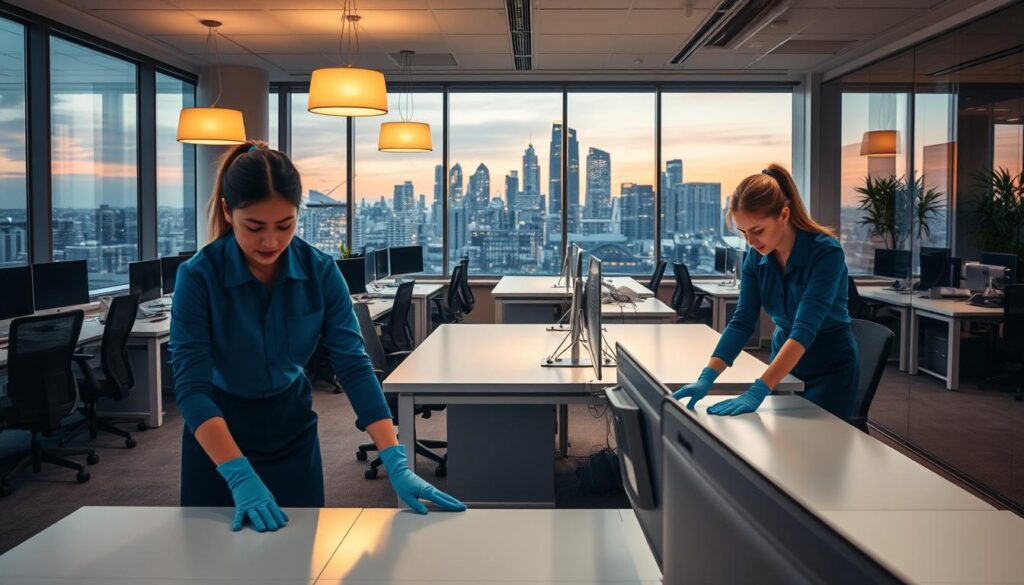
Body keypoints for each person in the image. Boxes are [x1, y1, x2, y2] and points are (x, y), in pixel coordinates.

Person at [170, 141, 465, 533]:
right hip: (218, 438)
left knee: (298, 560)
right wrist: (237, 474)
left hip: (291, 434)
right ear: (228, 211)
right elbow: (191, 388)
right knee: (212, 562)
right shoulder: (197, 278)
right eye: (254, 227)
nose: (271, 242)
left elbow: (354, 365)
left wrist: (394, 457)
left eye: (285, 225)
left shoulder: (321, 272)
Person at [674, 164, 860, 420]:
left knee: (819, 449)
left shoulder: (826, 253)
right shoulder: (755, 257)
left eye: (757, 230)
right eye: (744, 232)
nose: (750, 241)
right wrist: (708, 376)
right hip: (782, 362)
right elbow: (741, 322)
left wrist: (758, 389)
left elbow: (803, 331)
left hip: (829, 366)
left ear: (783, 215)